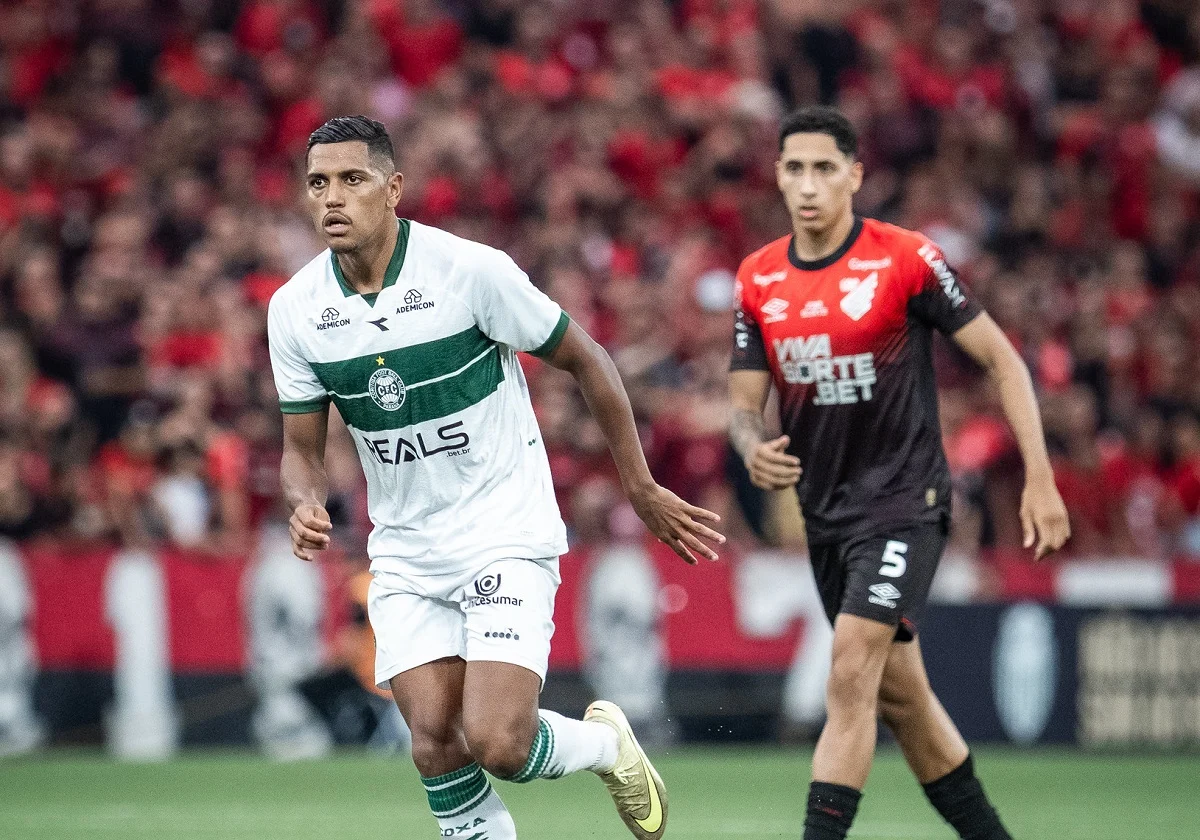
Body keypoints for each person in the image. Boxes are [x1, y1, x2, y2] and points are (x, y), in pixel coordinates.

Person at [268, 115, 724, 840]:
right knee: (433, 742)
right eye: (319, 182)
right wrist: (305, 499)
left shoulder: (469, 273)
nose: (332, 197)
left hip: (501, 529)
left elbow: (589, 360)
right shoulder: (295, 310)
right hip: (406, 550)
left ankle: (608, 747)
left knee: (501, 744)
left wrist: (638, 486)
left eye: (352, 180)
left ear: (393, 189)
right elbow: (301, 445)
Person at [728, 105, 1071, 840]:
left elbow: (1004, 361)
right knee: (904, 701)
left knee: (849, 670)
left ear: (856, 174)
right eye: (795, 168)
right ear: (778, 177)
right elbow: (741, 406)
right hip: (825, 515)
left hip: (904, 505)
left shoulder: (905, 259)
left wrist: (1040, 477)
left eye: (825, 168)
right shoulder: (757, 277)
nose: (809, 184)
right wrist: (750, 443)